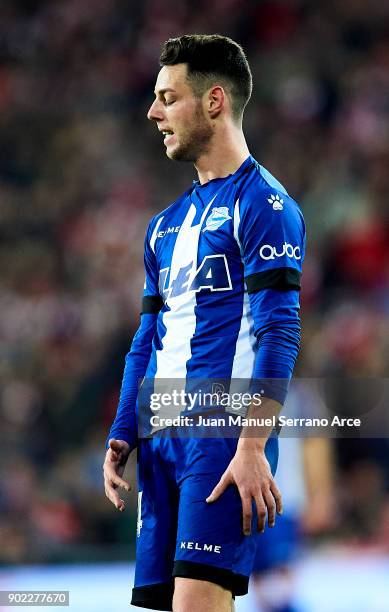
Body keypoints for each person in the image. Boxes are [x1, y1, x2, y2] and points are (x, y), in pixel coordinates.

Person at [103, 34, 305, 612]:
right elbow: (148, 337)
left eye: (168, 97)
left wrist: (252, 445)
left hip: (220, 435)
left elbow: (280, 332)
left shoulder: (264, 207)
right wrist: (123, 431)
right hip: (160, 436)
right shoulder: (163, 226)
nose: (153, 112)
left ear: (214, 101)